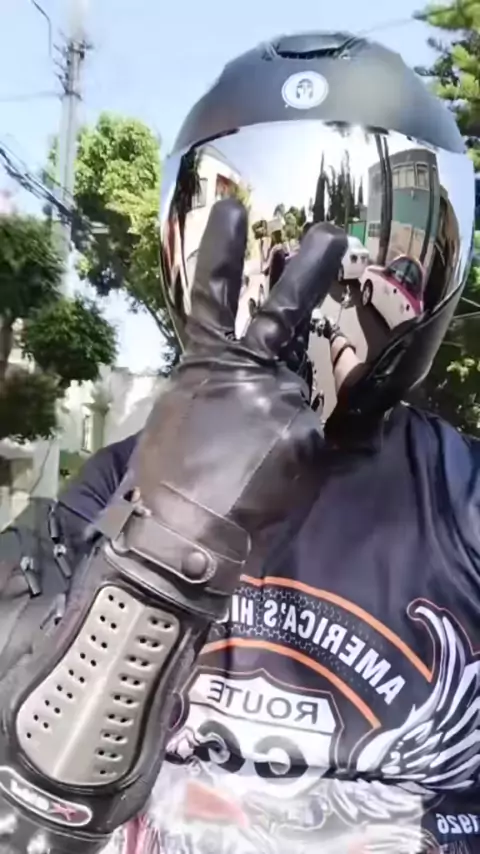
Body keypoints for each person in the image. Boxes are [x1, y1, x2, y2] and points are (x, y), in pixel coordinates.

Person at [0, 29, 478, 854]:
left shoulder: (463, 501)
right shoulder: (114, 483)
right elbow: (42, 798)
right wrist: (164, 544)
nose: (302, 290)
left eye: (346, 250)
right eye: (263, 242)